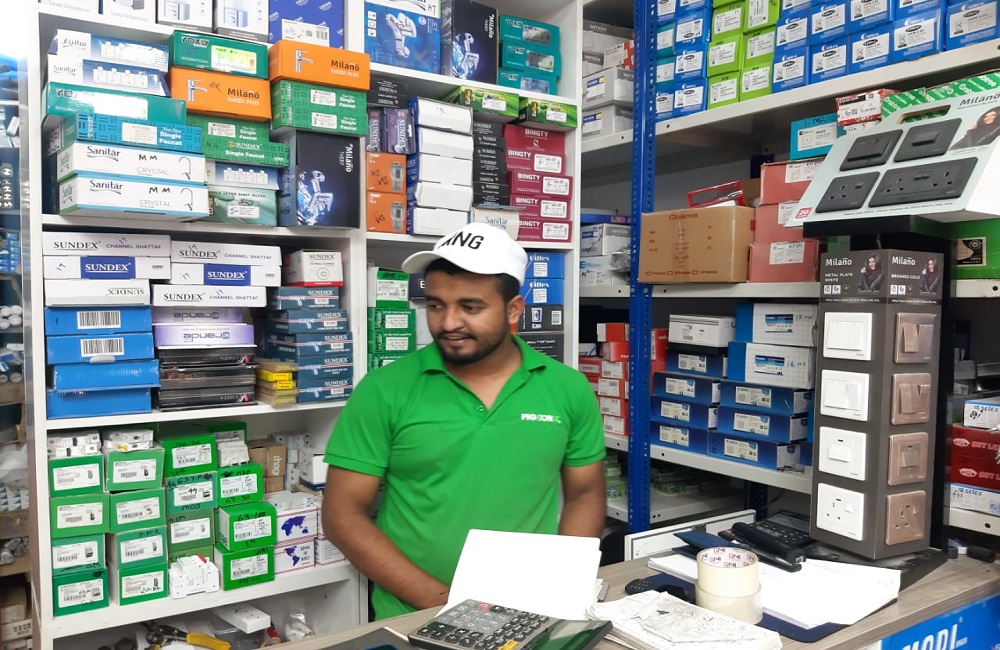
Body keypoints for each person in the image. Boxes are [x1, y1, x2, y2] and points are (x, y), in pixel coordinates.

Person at [321, 223, 607, 621]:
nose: (448, 323)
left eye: (470, 307)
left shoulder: (568, 388)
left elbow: (585, 494)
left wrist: (560, 585)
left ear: (513, 309)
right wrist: (446, 604)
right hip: (414, 613)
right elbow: (342, 514)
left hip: (530, 610)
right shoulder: (385, 389)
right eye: (436, 305)